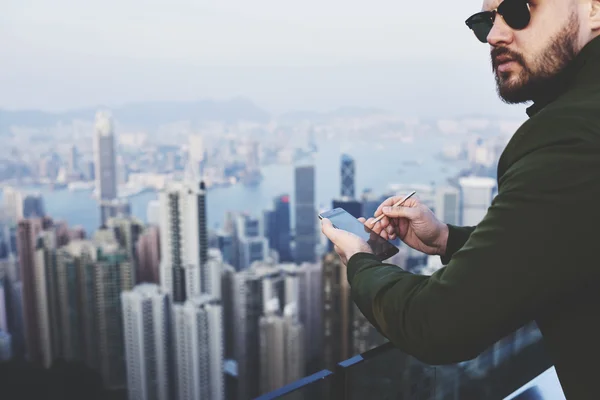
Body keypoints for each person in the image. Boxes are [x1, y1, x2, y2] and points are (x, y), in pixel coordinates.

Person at [320, 0, 600, 398]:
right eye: (484, 21)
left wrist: (360, 260)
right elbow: (570, 240)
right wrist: (445, 238)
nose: (494, 35)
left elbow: (438, 325)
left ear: (593, 10)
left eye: (520, 10)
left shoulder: (569, 134)